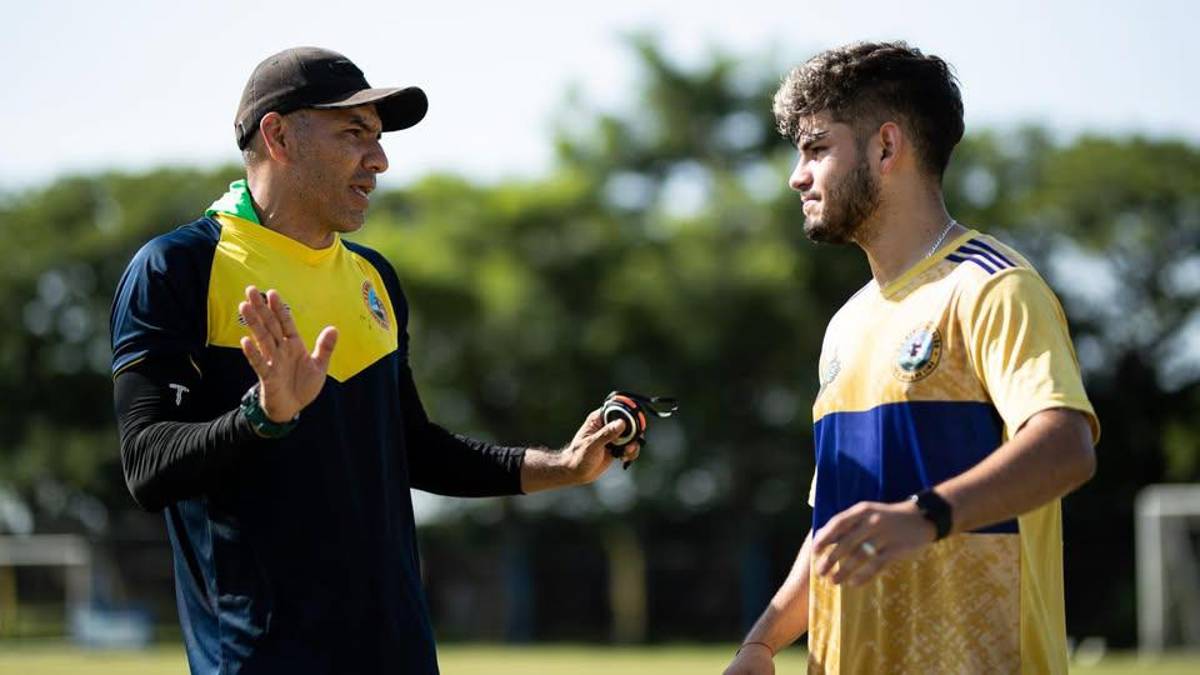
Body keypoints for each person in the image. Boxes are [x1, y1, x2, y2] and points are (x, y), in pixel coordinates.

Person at [110, 46, 637, 675]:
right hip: (263, 660)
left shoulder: (374, 278)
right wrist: (262, 417)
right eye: (354, 133)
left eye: (378, 138)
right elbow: (146, 465)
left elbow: (412, 447)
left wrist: (564, 467)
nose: (379, 160)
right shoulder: (178, 267)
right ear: (278, 137)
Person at [723, 42, 1099, 674]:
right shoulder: (845, 325)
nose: (797, 176)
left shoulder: (993, 287)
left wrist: (926, 516)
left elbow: (1065, 446)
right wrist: (761, 643)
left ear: (886, 147)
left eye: (816, 149)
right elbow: (836, 530)